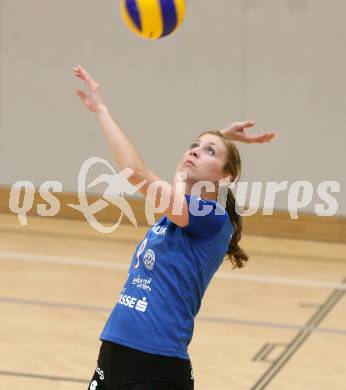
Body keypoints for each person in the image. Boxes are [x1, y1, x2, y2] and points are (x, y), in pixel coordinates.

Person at [73, 65, 275, 390]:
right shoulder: (177, 215)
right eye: (194, 144)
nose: (194, 150)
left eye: (209, 151)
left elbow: (134, 170)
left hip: (157, 365)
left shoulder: (212, 218)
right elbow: (177, 193)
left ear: (225, 177)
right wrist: (220, 139)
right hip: (114, 350)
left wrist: (101, 109)